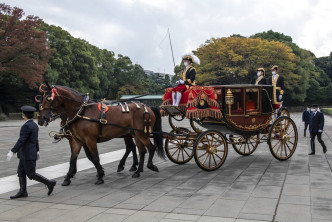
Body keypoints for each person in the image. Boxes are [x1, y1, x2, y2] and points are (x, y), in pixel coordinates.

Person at [6, 105, 56, 199]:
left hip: (27, 154)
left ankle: (49, 183)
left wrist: (12, 151)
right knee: (20, 172)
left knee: (31, 174)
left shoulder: (26, 126)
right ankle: (23, 191)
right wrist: (37, 150)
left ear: (24, 115)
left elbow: (21, 140)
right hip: (26, 154)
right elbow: (35, 140)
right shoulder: (34, 125)